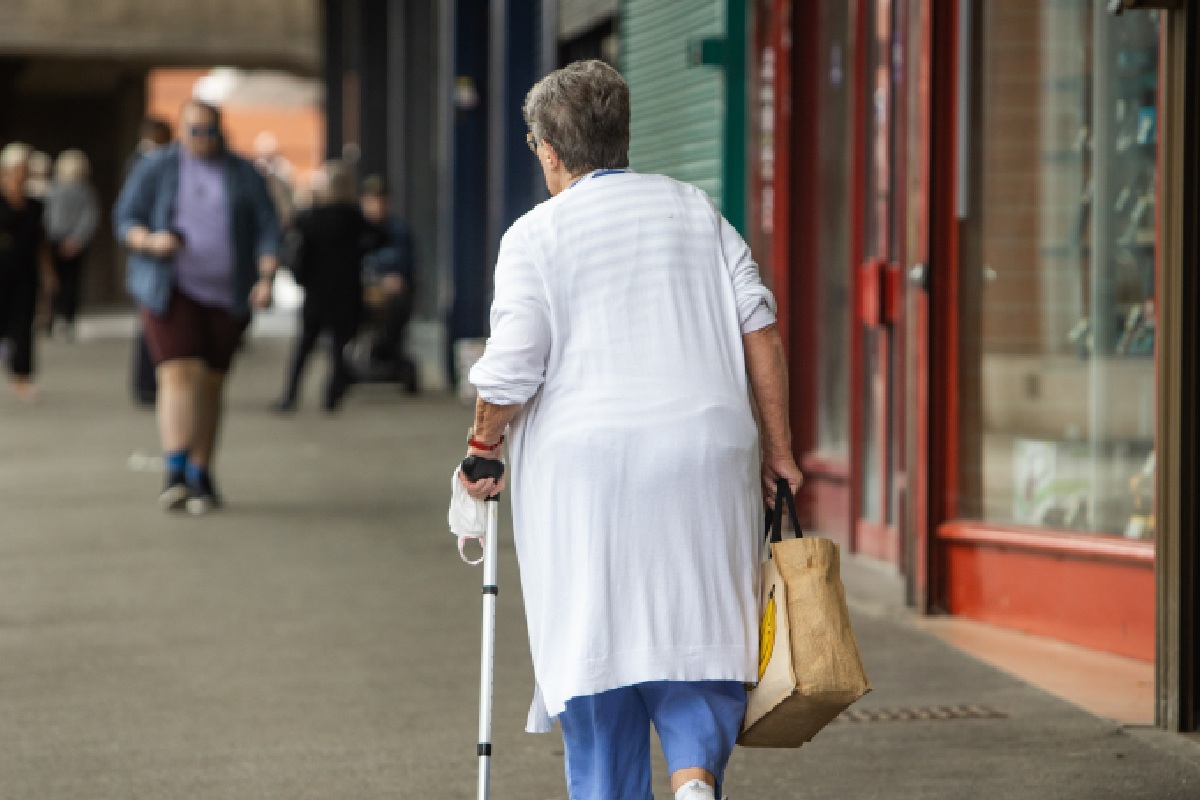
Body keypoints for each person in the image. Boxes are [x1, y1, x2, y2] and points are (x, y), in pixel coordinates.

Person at [457, 61, 804, 800]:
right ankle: (693, 779)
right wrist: (779, 451)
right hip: (707, 459)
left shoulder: (535, 234)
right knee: (699, 630)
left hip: (591, 473)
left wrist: (482, 447)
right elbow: (762, 334)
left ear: (548, 150)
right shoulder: (696, 211)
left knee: (598, 643)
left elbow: (512, 364)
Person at [113, 99, 281, 514]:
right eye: (194, 131)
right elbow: (124, 218)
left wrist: (265, 278)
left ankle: (200, 471)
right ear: (181, 131)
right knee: (177, 371)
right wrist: (150, 241)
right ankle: (174, 471)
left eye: (210, 132)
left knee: (211, 382)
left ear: (220, 131)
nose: (202, 140)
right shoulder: (157, 167)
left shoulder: (243, 172)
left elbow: (267, 228)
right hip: (170, 286)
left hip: (228, 292)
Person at [275, 160, 378, 412]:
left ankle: (290, 396)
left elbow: (298, 252)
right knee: (338, 346)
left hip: (316, 291)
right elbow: (377, 240)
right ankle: (331, 395)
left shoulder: (310, 217)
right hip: (346, 291)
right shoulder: (354, 218)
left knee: (305, 346)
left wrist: (302, 278)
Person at [0, 143, 57, 402]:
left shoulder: (35, 205)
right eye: (16, 170)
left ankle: (21, 377)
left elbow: (41, 243)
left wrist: (48, 273)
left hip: (24, 272)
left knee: (23, 324)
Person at [125, 117, 174, 406]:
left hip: (162, 251)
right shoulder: (143, 165)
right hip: (149, 253)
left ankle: (153, 383)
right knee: (151, 319)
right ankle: (147, 385)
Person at [359, 175, 418, 392]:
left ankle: (386, 351)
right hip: (362, 292)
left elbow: (403, 262)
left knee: (400, 299)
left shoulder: (398, 230)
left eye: (382, 200)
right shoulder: (357, 229)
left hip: (392, 295)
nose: (378, 206)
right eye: (372, 200)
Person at [44, 149, 99, 340]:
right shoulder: (54, 188)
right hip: (55, 239)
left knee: (71, 282)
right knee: (55, 281)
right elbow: (48, 215)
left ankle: (66, 318)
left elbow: (89, 216)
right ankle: (56, 317)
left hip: (73, 241)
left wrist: (77, 238)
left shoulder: (84, 190)